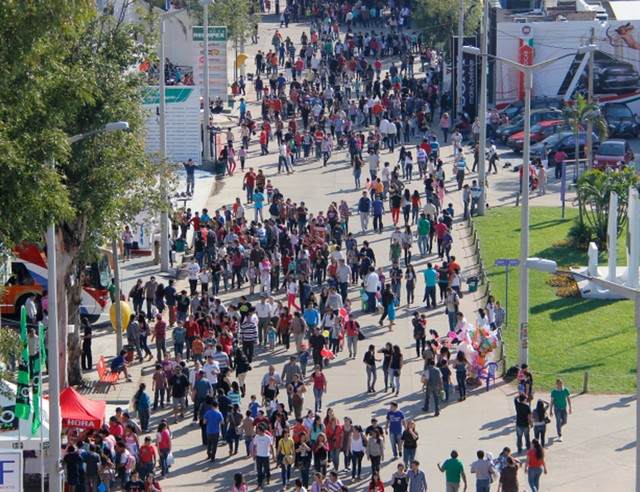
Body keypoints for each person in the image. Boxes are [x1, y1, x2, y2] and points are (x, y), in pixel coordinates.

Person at [253, 424, 275, 489]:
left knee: (267, 469)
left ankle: (268, 478)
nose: (257, 431)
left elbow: (271, 446)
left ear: (261, 430)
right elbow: (254, 445)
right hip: (258, 456)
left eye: (258, 430)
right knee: (259, 471)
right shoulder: (256, 437)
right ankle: (259, 484)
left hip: (266, 456)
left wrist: (273, 456)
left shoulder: (267, 437)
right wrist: (254, 454)